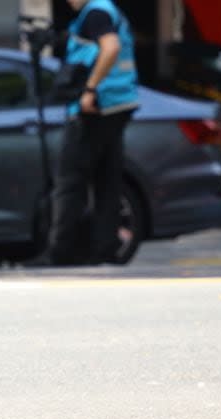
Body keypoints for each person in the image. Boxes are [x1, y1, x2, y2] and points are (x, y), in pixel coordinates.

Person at [31, 0, 139, 266]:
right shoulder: (105, 11)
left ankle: (59, 252)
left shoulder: (96, 12)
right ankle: (104, 250)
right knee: (107, 181)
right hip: (117, 103)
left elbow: (110, 47)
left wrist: (89, 90)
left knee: (69, 181)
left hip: (97, 107)